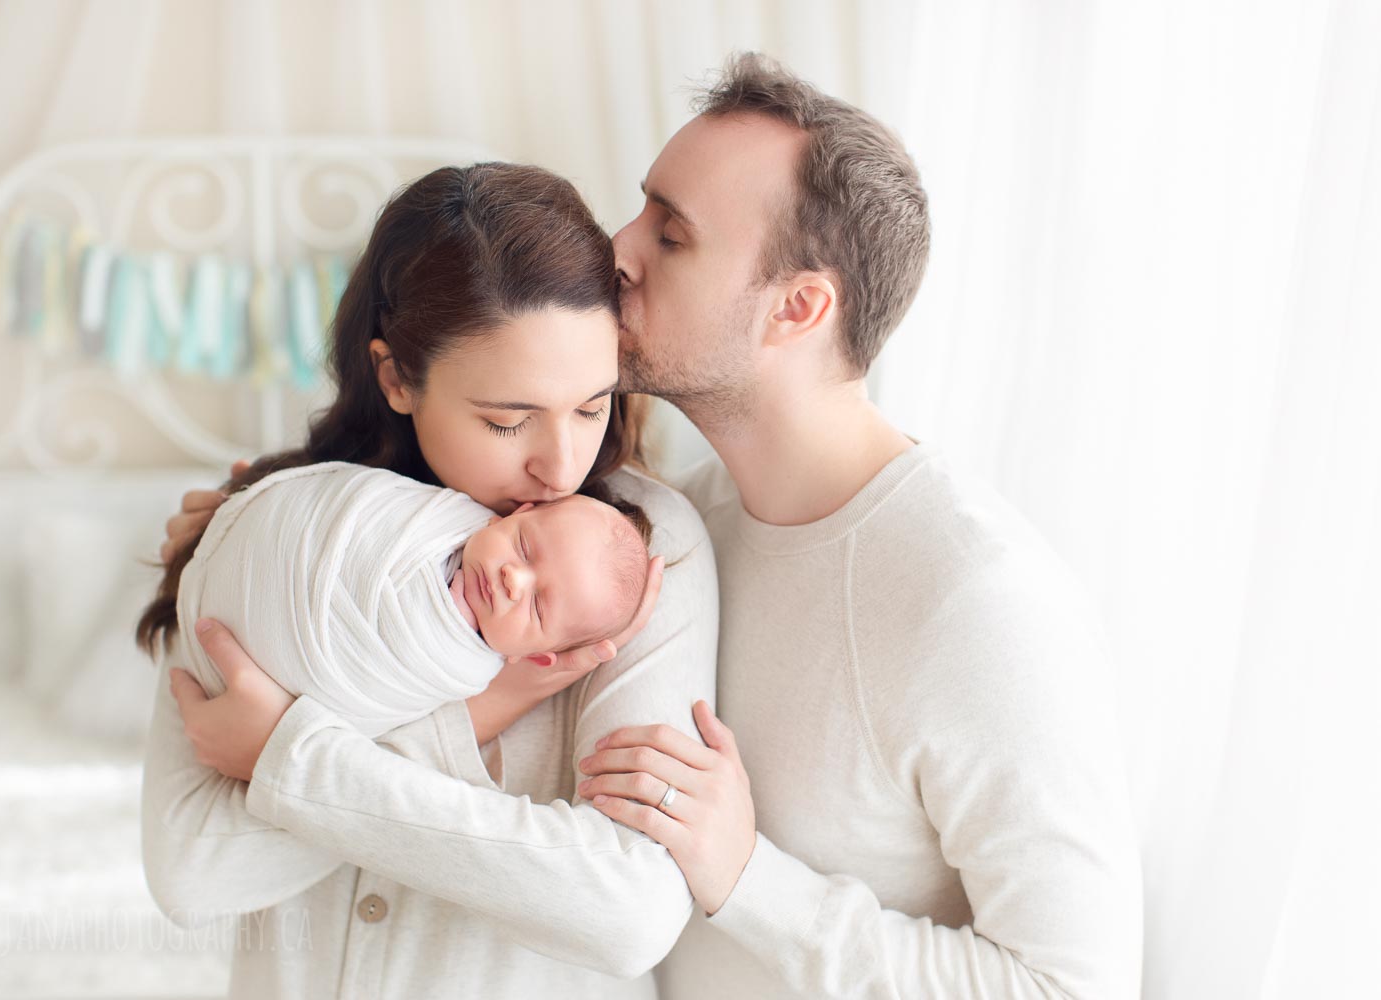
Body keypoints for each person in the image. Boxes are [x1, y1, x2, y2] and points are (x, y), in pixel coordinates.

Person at [167, 53, 1144, 999]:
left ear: (798, 308)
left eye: (670, 235)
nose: (617, 251)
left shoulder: (977, 600)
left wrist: (744, 874)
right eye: (640, 208)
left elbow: (1073, 986)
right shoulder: (667, 529)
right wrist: (266, 537)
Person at [138, 161, 718, 999]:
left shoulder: (637, 561)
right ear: (396, 376)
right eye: (508, 420)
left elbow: (628, 911)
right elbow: (193, 873)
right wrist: (488, 709)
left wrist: (287, 757)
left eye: (592, 406)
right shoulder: (274, 539)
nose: (560, 467)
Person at [168, 458, 655, 738]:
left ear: (536, 656)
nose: (513, 579)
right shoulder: (441, 513)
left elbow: (379, 732)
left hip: (269, 674)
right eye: (524, 546)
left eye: (537, 606)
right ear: (514, 513)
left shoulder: (463, 671)